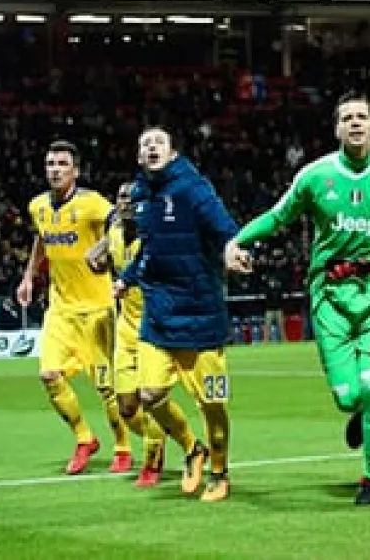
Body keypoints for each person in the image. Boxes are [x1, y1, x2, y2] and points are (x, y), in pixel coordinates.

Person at [230, 93, 370, 505]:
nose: (355, 123)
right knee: (347, 397)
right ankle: (359, 413)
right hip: (329, 297)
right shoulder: (315, 176)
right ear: (337, 129)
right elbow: (278, 217)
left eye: (362, 117)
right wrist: (238, 239)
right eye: (347, 118)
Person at [117, 126, 247, 503]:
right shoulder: (140, 195)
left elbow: (224, 227)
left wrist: (234, 250)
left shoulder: (195, 189)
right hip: (159, 316)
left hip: (202, 317)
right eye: (143, 144)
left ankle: (220, 471)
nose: (150, 148)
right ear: (139, 157)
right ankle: (193, 449)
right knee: (150, 394)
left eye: (157, 142)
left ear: (173, 151)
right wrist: (127, 279)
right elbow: (148, 250)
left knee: (213, 403)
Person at [18, 140, 131, 475]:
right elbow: (40, 239)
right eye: (50, 163)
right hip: (61, 309)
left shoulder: (92, 203)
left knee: (106, 386)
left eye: (62, 164)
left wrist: (102, 247)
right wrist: (28, 277)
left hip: (98, 309)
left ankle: (123, 447)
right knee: (48, 374)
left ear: (75, 171)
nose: (55, 169)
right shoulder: (37, 206)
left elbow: (119, 221)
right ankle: (84, 438)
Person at [95, 181, 166, 487]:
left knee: (150, 398)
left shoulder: (154, 236)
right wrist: (97, 260)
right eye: (120, 197)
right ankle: (162, 435)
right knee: (126, 407)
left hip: (152, 327)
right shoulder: (112, 233)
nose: (125, 202)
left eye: (131, 198)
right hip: (125, 328)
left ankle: (154, 455)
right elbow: (101, 259)